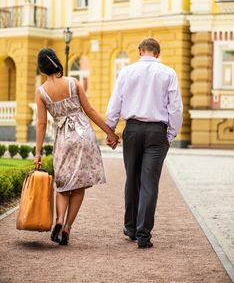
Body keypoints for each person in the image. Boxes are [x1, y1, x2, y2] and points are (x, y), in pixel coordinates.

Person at [35, 48, 118, 245]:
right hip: (83, 136)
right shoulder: (73, 83)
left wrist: (37, 152)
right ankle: (67, 228)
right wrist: (110, 133)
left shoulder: (41, 92)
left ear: (42, 69)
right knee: (79, 185)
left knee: (63, 184)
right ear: (56, 62)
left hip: (63, 140)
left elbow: (41, 124)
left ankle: (59, 219)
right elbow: (90, 110)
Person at [106, 38, 183, 249]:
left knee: (132, 179)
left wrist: (110, 130)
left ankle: (130, 228)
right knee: (149, 183)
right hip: (157, 131)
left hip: (131, 129)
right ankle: (143, 235)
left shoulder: (126, 72)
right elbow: (175, 108)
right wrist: (170, 135)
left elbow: (115, 103)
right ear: (158, 53)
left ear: (140, 51)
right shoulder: (169, 73)